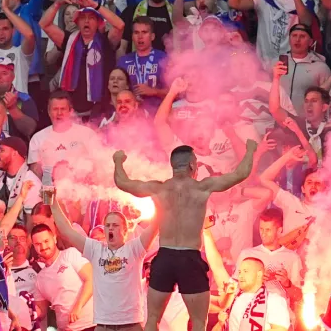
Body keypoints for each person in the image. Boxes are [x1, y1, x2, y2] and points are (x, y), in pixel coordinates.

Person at [111, 141, 259, 331]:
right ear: (192, 166)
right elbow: (241, 173)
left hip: (164, 257)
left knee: (152, 319)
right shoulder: (202, 187)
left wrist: (118, 161)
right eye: (196, 162)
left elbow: (122, 182)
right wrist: (250, 150)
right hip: (190, 258)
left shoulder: (159, 189)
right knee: (198, 322)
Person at [50, 190, 158, 331]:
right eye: (108, 225)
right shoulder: (95, 249)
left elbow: (156, 224)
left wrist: (159, 199)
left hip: (131, 324)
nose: (110, 228)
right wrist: (52, 202)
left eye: (115, 225)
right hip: (103, 325)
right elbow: (66, 230)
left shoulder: (135, 248)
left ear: (126, 231)